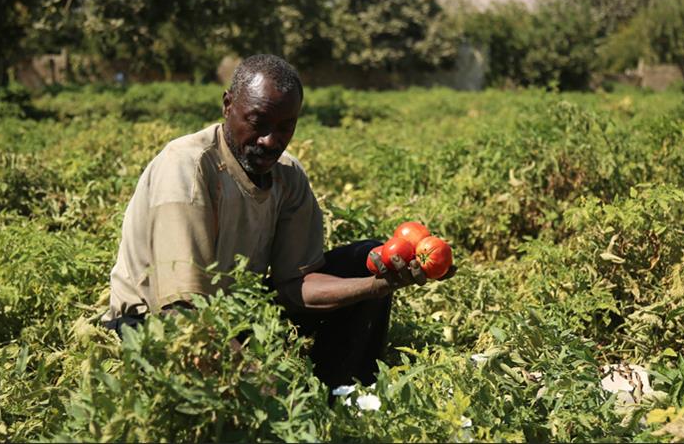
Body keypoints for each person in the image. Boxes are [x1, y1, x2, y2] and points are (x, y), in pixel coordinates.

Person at [101, 54, 452, 388]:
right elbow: (181, 313)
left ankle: (346, 395)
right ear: (228, 105)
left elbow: (295, 284)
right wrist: (260, 383)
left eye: (286, 127)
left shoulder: (287, 175)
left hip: (235, 315)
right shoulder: (188, 168)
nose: (271, 141)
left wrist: (379, 285)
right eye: (258, 123)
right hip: (153, 322)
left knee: (368, 259)